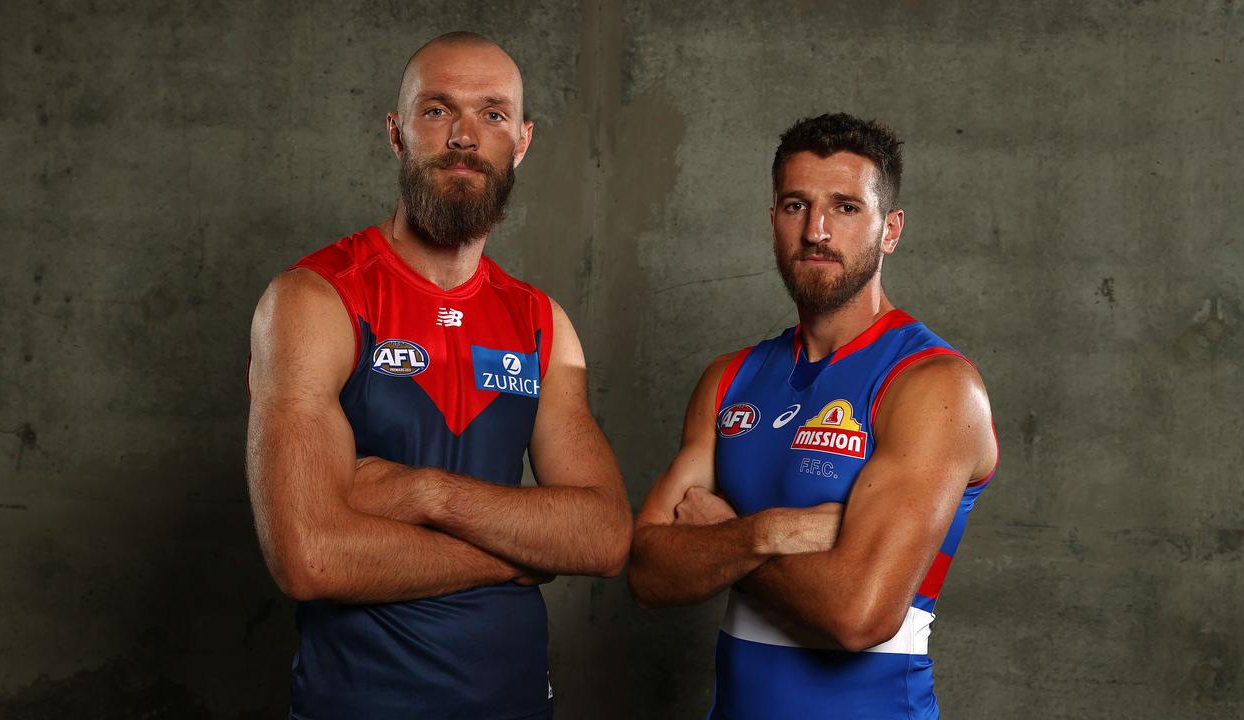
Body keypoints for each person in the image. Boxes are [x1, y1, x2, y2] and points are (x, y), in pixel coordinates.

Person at [246, 32, 631, 720]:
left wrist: (425, 494)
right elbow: (311, 559)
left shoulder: (542, 323)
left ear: (522, 141)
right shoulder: (316, 300)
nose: (464, 135)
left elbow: (602, 534)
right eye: (436, 111)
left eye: (493, 114)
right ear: (396, 135)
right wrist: (516, 555)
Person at [628, 113, 998, 719]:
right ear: (773, 220)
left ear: (890, 230)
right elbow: (647, 573)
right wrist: (770, 530)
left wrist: (722, 539)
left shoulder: (933, 386)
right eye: (797, 205)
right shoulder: (729, 380)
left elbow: (859, 614)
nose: (817, 231)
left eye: (847, 207)